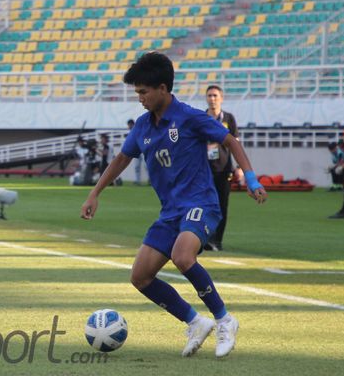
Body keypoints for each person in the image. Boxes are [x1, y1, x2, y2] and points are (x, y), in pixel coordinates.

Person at [81, 52, 267, 358]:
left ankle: (224, 319)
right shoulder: (143, 126)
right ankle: (195, 322)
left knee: (183, 256)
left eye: (144, 92)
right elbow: (121, 158)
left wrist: (251, 178)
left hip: (202, 203)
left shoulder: (189, 117)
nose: (139, 98)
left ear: (164, 89)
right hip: (170, 212)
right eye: (137, 92)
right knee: (140, 276)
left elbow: (230, 141)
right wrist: (95, 193)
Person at [204, 85, 239, 251]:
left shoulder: (229, 119)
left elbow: (236, 144)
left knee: (222, 205)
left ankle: (217, 240)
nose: (212, 99)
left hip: (224, 170)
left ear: (221, 98)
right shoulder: (201, 118)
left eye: (215, 96)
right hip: (204, 170)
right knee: (205, 205)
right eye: (210, 95)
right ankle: (205, 238)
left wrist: (239, 166)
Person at [128, 119, 144, 185]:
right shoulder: (130, 132)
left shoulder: (139, 129)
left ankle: (151, 181)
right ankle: (138, 181)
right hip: (137, 150)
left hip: (143, 150)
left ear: (132, 124)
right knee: (137, 167)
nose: (129, 126)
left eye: (129, 125)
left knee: (147, 166)